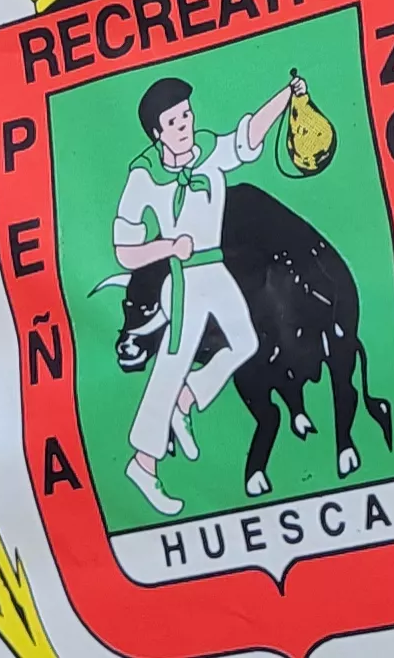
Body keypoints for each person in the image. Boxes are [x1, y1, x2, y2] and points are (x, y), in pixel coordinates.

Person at [110, 71, 305, 515]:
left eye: (187, 115)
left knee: (246, 342)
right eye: (175, 122)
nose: (186, 125)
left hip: (215, 269)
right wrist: (167, 247)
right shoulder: (144, 175)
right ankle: (143, 464)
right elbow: (124, 249)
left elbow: (249, 133)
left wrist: (285, 95)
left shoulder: (207, 153)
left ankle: (186, 399)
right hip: (183, 280)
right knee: (169, 365)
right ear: (157, 133)